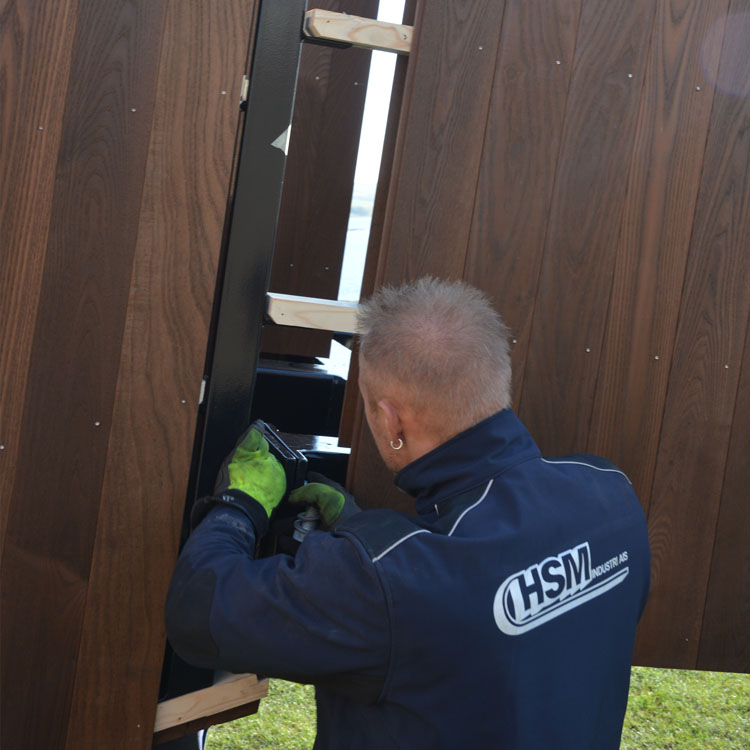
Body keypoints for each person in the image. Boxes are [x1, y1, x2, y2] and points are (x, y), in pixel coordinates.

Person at [166, 276, 650, 749]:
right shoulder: (610, 494)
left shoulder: (389, 585)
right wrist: (361, 527)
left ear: (390, 419)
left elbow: (198, 612)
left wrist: (241, 504)